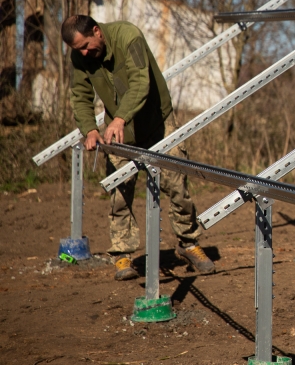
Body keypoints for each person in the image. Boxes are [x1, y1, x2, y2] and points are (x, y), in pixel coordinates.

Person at [62, 15, 215, 281]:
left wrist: (120, 117)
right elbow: (80, 95)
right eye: (79, 50)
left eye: (86, 45)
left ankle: (189, 243)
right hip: (120, 131)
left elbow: (140, 82)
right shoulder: (80, 57)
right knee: (119, 191)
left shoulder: (127, 36)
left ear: (97, 31)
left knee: (177, 185)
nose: (85, 53)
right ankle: (122, 256)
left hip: (158, 121)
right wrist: (90, 129)